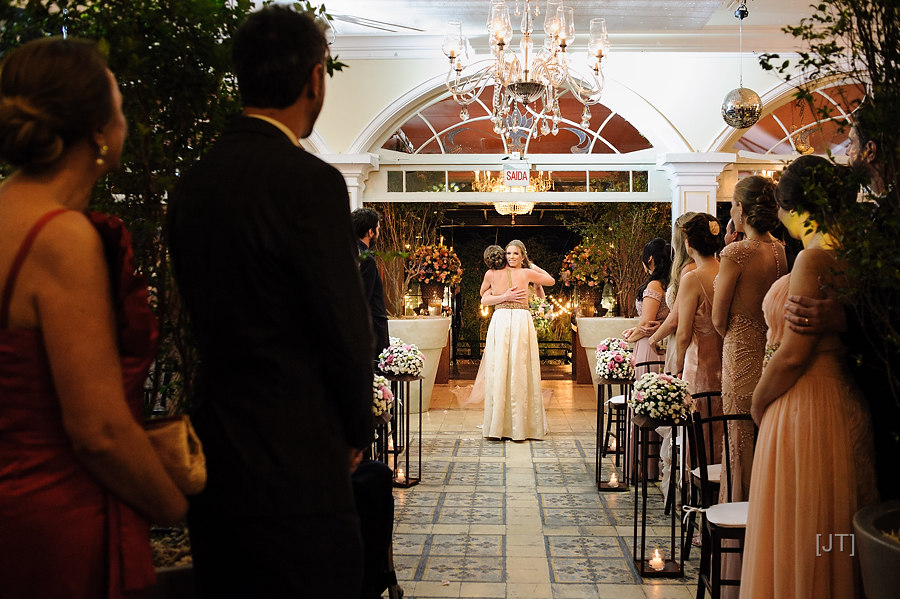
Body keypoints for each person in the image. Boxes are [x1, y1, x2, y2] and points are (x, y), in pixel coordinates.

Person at [167, 7, 374, 598]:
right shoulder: (310, 183)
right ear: (316, 79)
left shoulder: (194, 181)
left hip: (214, 449)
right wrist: (356, 427)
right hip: (299, 457)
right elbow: (343, 326)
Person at [0, 37, 187, 597]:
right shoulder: (60, 238)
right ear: (100, 133)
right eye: (121, 106)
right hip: (58, 517)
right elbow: (99, 432)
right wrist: (174, 504)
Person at [740, 155, 878, 598]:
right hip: (841, 399)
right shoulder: (853, 256)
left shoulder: (812, 261)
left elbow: (794, 355)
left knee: (803, 527)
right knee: (832, 528)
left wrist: (758, 401)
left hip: (805, 405)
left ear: (794, 206)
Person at [782, 108, 900, 501]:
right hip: (857, 389)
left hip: (862, 389)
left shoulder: (819, 254)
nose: (846, 152)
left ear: (870, 149)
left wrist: (848, 315)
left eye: (850, 143)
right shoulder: (868, 223)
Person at [711, 175, 785, 598]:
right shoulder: (781, 249)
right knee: (762, 437)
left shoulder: (736, 251)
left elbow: (720, 316)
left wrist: (735, 334)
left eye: (733, 206)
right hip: (770, 349)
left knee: (737, 442)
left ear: (741, 208)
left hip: (739, 352)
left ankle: (739, 553)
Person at [478, 240, 554, 440]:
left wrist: (532, 266)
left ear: (522, 256)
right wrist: (504, 296)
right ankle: (499, 425)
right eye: (508, 253)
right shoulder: (492, 274)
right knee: (500, 367)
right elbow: (483, 297)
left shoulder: (526, 273)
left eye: (515, 254)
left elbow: (550, 281)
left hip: (521, 320)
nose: (511, 257)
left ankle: (521, 425)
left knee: (520, 367)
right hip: (501, 320)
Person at [673, 214, 725, 479]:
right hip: (727, 363)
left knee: (698, 428)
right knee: (722, 427)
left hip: (700, 363)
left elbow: (683, 333)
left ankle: (695, 487)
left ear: (689, 244)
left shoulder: (692, 277)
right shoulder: (728, 271)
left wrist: (675, 368)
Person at [623, 237, 671, 479]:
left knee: (646, 404)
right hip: (655, 346)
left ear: (650, 258)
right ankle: (653, 466)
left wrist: (631, 337)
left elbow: (648, 324)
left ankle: (643, 468)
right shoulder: (668, 282)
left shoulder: (654, 285)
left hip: (649, 349)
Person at [352, 207, 389, 360]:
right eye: (378, 229)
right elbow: (363, 300)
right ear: (370, 232)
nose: (378, 234)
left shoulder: (349, 254)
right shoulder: (365, 259)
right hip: (372, 332)